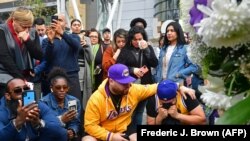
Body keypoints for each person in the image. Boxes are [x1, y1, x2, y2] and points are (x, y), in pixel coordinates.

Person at [82, 64, 195, 141]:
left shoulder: (133, 89)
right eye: (123, 83)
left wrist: (179, 87)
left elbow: (157, 86)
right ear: (111, 81)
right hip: (102, 131)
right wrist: (110, 136)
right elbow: (90, 126)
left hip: (124, 128)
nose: (128, 85)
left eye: (128, 81)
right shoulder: (96, 98)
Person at [0, 78, 67, 140]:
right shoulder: (2, 111)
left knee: (62, 133)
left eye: (26, 89)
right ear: (8, 96)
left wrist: (38, 123)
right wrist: (17, 122)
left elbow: (57, 127)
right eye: (17, 91)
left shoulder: (38, 104)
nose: (23, 93)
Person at [116, 26, 158, 125]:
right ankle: (128, 132)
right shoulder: (125, 50)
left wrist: (146, 49)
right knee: (129, 112)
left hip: (144, 84)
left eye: (140, 39)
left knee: (139, 111)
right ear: (130, 39)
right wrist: (132, 70)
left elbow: (154, 63)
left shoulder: (148, 47)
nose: (137, 41)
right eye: (134, 39)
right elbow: (118, 66)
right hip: (129, 85)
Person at [0, 7, 43, 97]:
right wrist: (21, 79)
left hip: (26, 78)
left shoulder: (32, 32)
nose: (27, 30)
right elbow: (4, 57)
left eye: (29, 26)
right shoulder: (2, 31)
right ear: (14, 20)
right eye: (24, 26)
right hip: (5, 79)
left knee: (28, 107)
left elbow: (39, 55)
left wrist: (27, 40)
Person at [43, 14, 82, 99]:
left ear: (66, 24)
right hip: (54, 79)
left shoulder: (74, 37)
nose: (57, 22)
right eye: (55, 20)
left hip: (71, 77)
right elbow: (46, 58)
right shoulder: (46, 40)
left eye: (60, 20)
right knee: (55, 107)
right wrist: (51, 42)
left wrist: (62, 33)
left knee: (73, 106)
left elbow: (77, 47)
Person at [40, 67, 81, 140]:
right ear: (51, 88)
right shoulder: (44, 103)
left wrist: (72, 130)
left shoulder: (74, 101)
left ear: (68, 88)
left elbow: (76, 122)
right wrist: (61, 120)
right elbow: (43, 126)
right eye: (58, 88)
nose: (62, 90)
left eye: (65, 87)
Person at [70, 19, 93, 108]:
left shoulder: (87, 39)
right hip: (72, 71)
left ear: (81, 26)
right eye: (74, 25)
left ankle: (83, 118)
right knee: (73, 97)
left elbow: (91, 59)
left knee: (84, 96)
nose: (76, 26)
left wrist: (86, 46)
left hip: (84, 72)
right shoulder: (68, 38)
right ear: (71, 27)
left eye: (78, 25)